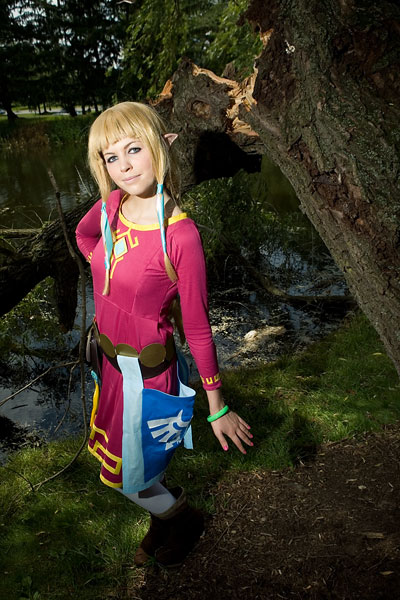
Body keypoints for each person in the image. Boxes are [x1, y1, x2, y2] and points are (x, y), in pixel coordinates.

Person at [75, 101, 253, 568]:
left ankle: (181, 518)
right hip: (108, 367)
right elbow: (84, 237)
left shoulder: (181, 235)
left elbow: (198, 327)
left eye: (134, 149)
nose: (124, 165)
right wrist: (106, 271)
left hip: (147, 380)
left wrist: (218, 407)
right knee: (124, 467)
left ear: (162, 144)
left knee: (125, 478)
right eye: (111, 157)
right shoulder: (110, 206)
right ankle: (165, 518)